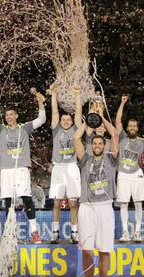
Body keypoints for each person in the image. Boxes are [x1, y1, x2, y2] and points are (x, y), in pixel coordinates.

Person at [0, 89, 46, 244]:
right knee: (8, 202)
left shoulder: (24, 128)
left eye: (11, 114)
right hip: (6, 170)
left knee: (26, 198)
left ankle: (34, 232)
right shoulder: (1, 129)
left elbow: (42, 119)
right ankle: (11, 233)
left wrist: (40, 102)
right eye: (7, 115)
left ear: (16, 116)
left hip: (21, 169)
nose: (9, 117)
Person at [73, 110, 119, 277]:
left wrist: (102, 119)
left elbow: (115, 134)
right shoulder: (85, 160)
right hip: (87, 207)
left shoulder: (111, 159)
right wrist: (89, 121)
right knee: (87, 250)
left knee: (105, 250)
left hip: (106, 207)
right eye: (95, 143)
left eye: (101, 143)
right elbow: (76, 137)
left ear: (104, 145)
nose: (98, 145)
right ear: (91, 146)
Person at [48, 83, 82, 244]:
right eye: (64, 119)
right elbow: (54, 111)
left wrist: (77, 96)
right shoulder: (56, 129)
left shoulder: (75, 129)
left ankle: (74, 233)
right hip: (58, 168)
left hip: (72, 167)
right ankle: (55, 233)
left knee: (73, 203)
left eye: (68, 119)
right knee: (56, 203)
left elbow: (79, 114)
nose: (66, 121)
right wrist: (53, 94)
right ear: (60, 121)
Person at [115, 94, 144, 243]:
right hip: (123, 174)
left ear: (137, 128)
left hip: (137, 174)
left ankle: (137, 233)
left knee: (138, 203)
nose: (132, 128)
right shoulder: (122, 137)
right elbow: (117, 121)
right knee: (123, 204)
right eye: (130, 126)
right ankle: (125, 232)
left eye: (134, 126)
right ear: (127, 128)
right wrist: (122, 103)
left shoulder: (143, 142)